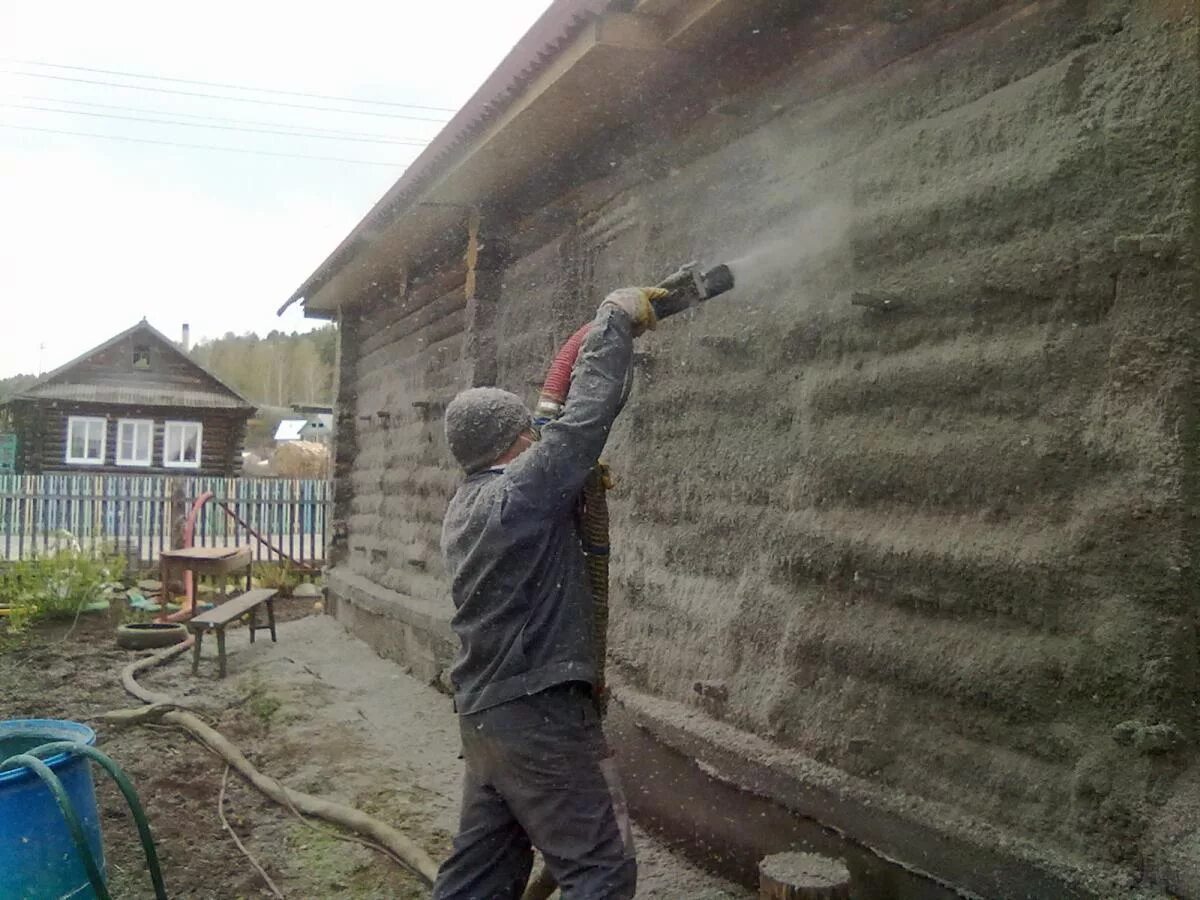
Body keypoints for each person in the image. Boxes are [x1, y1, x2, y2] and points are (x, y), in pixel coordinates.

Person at [432, 286, 664, 900]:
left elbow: (553, 442)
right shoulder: (521, 494)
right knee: (602, 870)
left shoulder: (470, 503)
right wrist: (613, 321)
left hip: (487, 718)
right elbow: (583, 424)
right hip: (540, 715)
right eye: (527, 435)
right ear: (515, 441)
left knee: (482, 874)